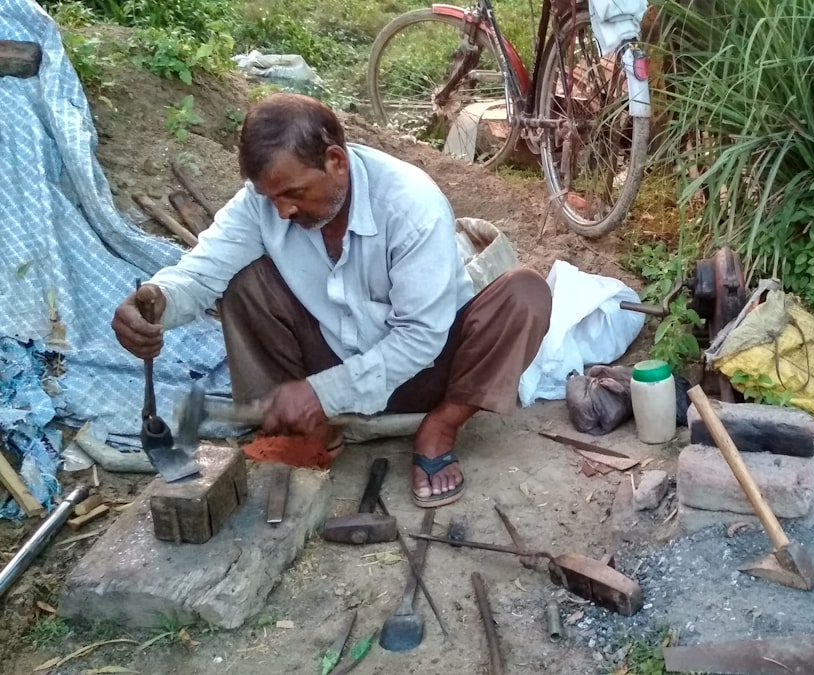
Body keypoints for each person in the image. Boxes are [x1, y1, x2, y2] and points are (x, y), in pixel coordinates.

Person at [111, 93, 552, 508]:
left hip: (430, 369)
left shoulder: (411, 204)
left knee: (525, 293)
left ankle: (439, 428)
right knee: (243, 278)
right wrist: (159, 300)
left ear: (336, 161)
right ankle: (304, 431)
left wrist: (320, 392)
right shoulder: (263, 203)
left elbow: (420, 339)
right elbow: (203, 270)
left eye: (294, 193)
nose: (283, 211)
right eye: (272, 197)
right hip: (329, 357)